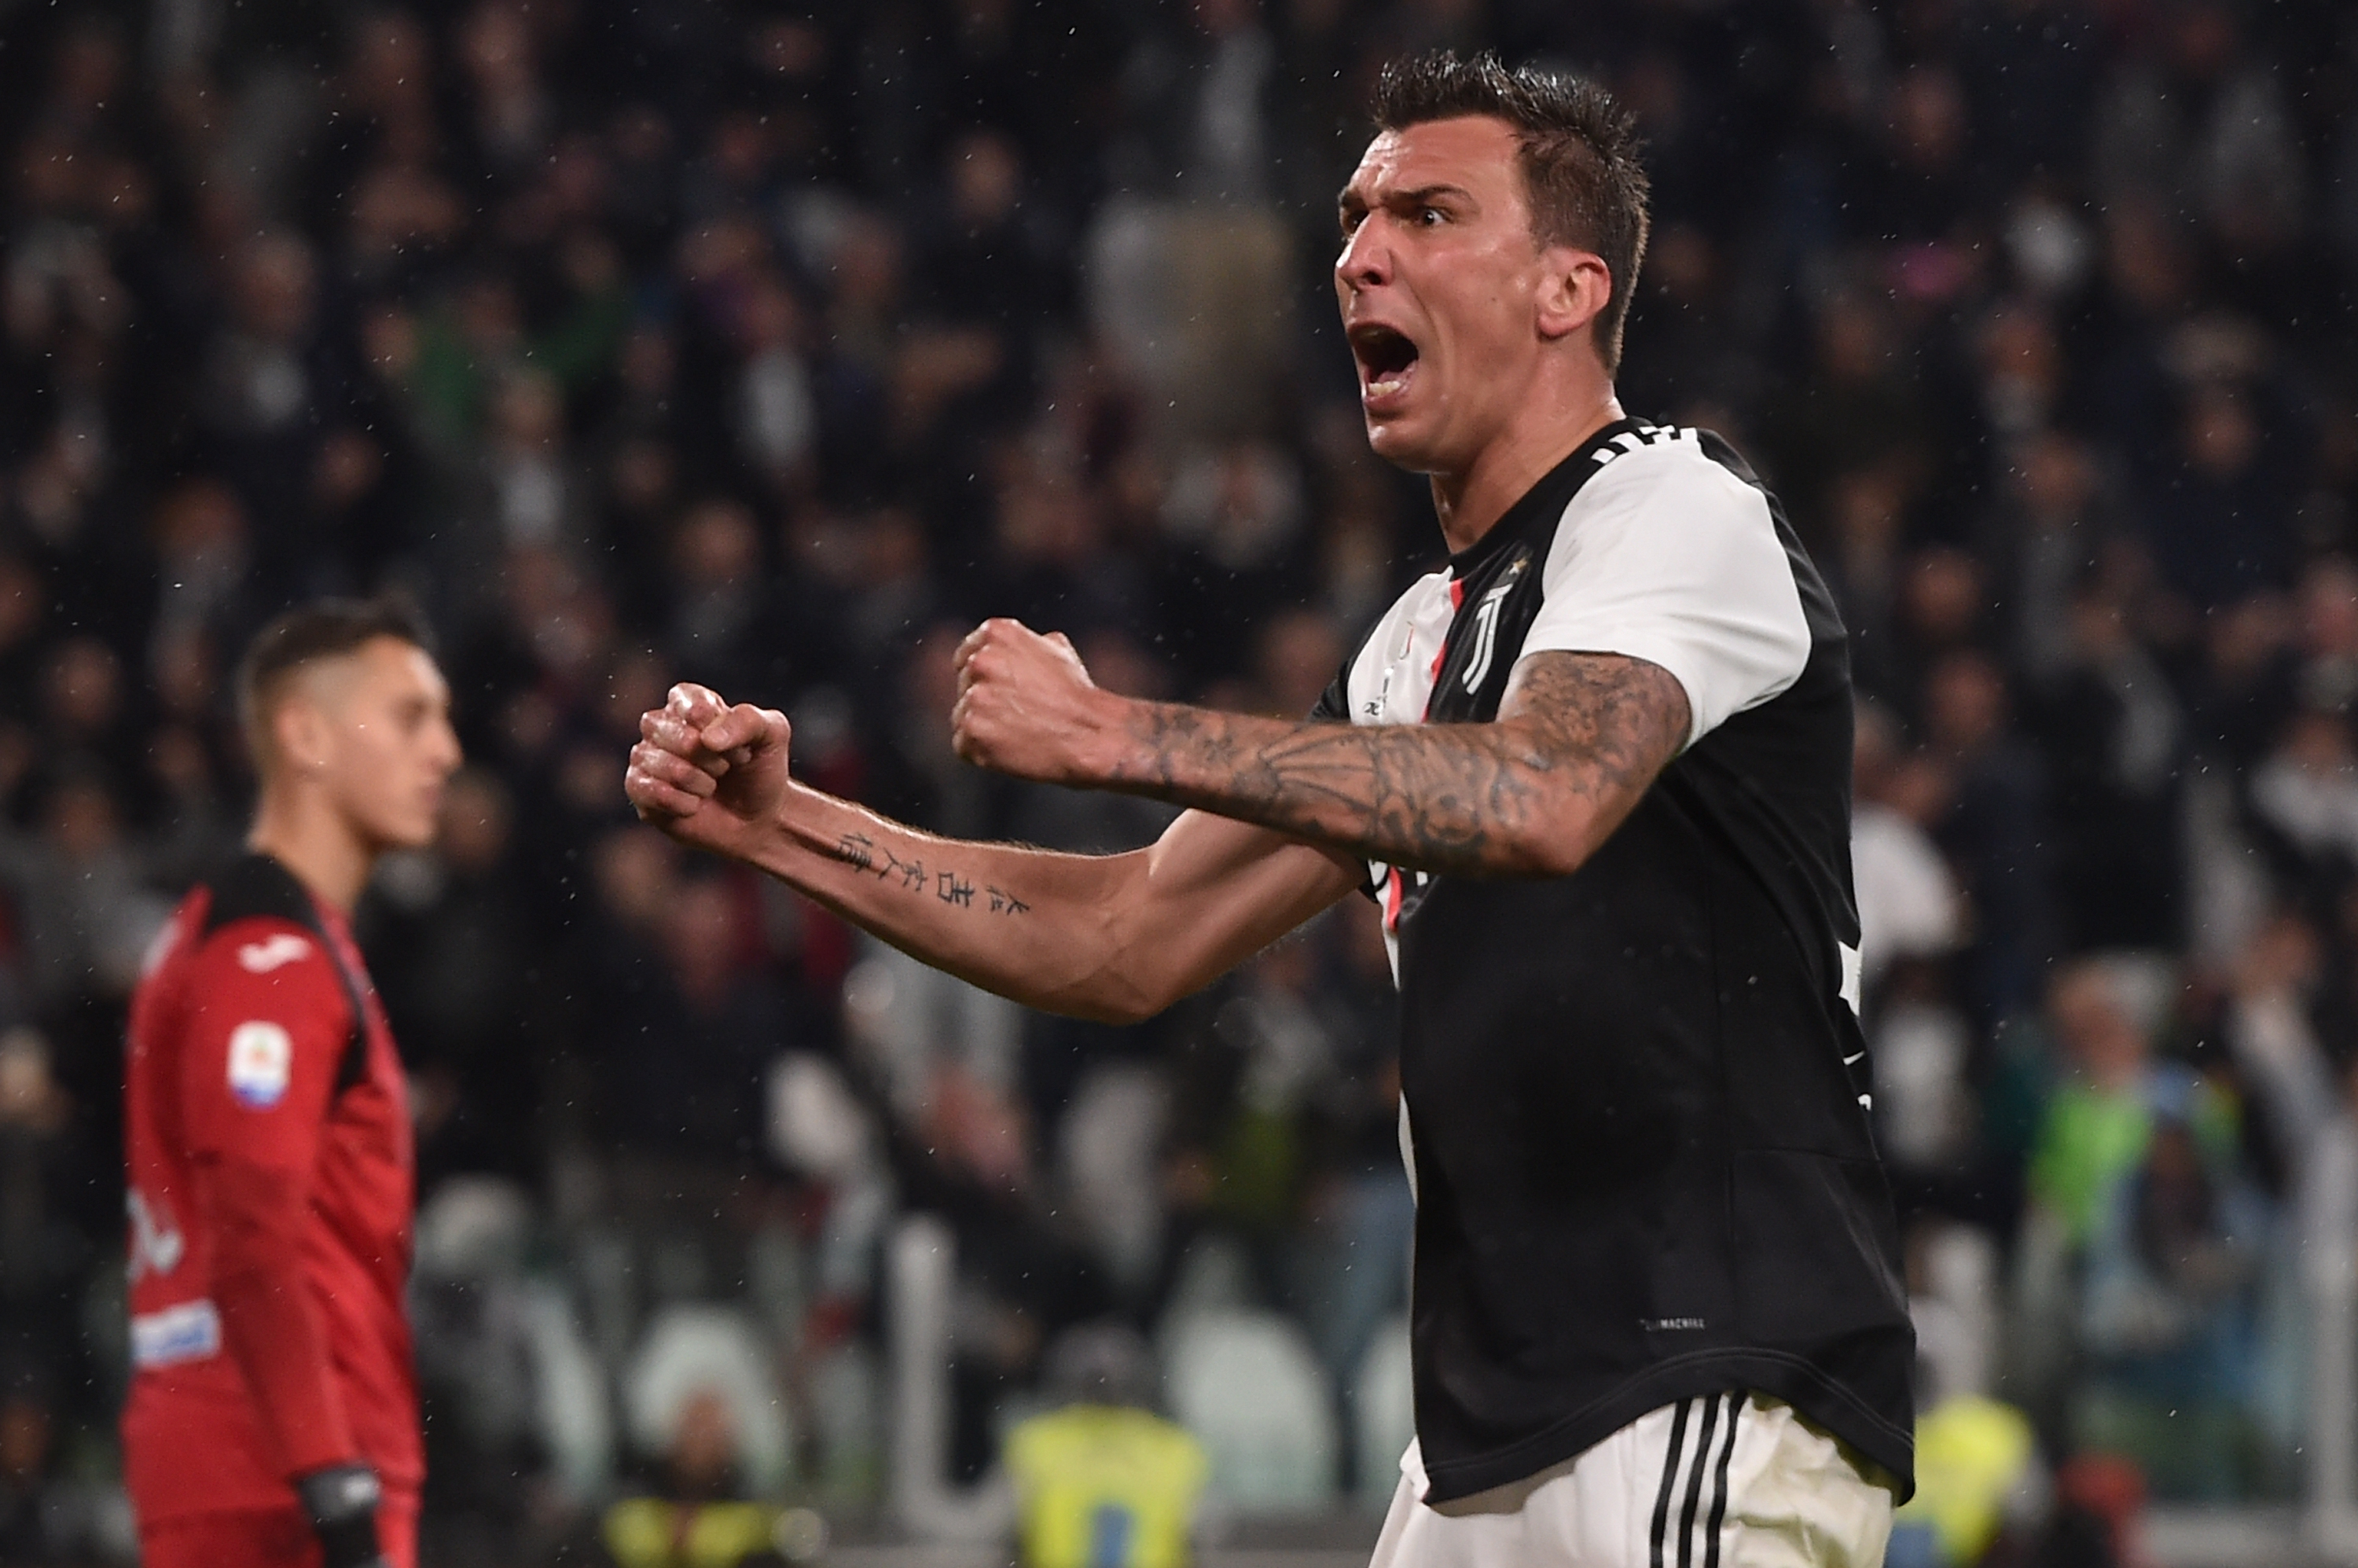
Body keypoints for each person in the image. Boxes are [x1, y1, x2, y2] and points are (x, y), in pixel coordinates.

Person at [628, 51, 1913, 1568]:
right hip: (1489, 1431)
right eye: (1359, 217)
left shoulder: (1674, 503)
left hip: (1705, 1374)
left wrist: (1114, 732)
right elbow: (1123, 938)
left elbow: (1548, 794)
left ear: (1571, 290)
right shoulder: (1413, 646)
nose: (1359, 254)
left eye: (1430, 215)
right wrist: (784, 829)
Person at [122, 599, 461, 1568]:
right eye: (409, 717)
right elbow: (252, 1229)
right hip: (284, 1480)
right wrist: (332, 1478)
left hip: (250, 1456)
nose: (443, 751)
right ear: (304, 734)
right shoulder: (268, 953)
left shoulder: (241, 935)